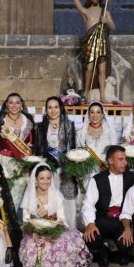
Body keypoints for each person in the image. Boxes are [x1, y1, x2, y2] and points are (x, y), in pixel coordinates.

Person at [19, 164, 92, 267]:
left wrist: (52, 234)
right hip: (34, 232)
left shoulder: (56, 196)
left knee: (59, 245)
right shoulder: (29, 196)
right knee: (32, 247)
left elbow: (61, 219)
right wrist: (35, 235)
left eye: (48, 178)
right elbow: (26, 221)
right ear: (36, 180)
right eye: (42, 178)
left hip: (56, 229)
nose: (45, 181)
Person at [82, 145, 134, 267]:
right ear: (110, 161)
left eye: (125, 159)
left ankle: (123, 253)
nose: (125, 162)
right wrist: (90, 224)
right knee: (91, 237)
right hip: (103, 218)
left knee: (126, 244)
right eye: (121, 159)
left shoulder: (133, 176)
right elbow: (88, 203)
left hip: (121, 220)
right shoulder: (97, 179)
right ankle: (103, 253)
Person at [34, 96, 78, 225]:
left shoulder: (69, 125)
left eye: (56, 107)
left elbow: (73, 148)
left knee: (67, 202)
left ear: (61, 108)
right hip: (49, 170)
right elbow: (38, 149)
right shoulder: (41, 127)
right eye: (50, 108)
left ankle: (70, 229)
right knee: (50, 202)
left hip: (66, 170)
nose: (53, 110)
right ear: (46, 110)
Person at [73, 0, 116, 99]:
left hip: (102, 41)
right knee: (89, 68)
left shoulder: (105, 11)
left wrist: (106, 21)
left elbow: (113, 27)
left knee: (102, 70)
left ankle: (102, 95)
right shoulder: (86, 12)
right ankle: (86, 92)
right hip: (90, 41)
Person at [75, 102, 118, 227]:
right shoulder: (81, 133)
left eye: (98, 112)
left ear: (102, 114)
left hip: (105, 172)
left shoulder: (109, 131)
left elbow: (114, 152)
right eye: (92, 112)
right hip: (87, 174)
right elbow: (78, 154)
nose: (95, 115)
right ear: (88, 114)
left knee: (104, 202)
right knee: (87, 202)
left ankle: (104, 231)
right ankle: (87, 229)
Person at [0, 92, 35, 206]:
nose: (14, 106)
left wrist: (29, 160)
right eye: (11, 103)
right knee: (3, 196)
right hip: (5, 163)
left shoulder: (28, 122)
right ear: (6, 105)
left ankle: (15, 222)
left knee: (19, 197)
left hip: (23, 164)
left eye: (17, 103)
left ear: (21, 105)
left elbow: (31, 144)